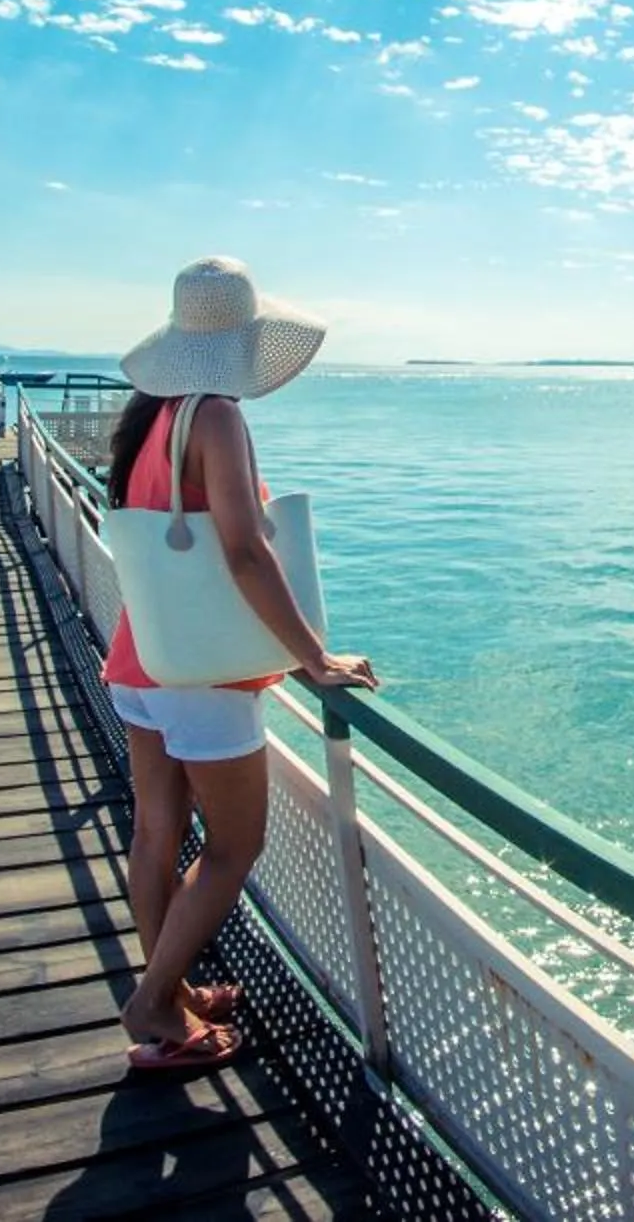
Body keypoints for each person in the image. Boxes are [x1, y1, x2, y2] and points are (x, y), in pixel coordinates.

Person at [102, 257, 378, 1075]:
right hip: (202, 676)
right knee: (234, 845)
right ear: (243, 344)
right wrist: (314, 658)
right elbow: (245, 549)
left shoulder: (150, 415)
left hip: (141, 658)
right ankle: (154, 1001)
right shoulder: (216, 416)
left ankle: (173, 994)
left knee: (155, 834)